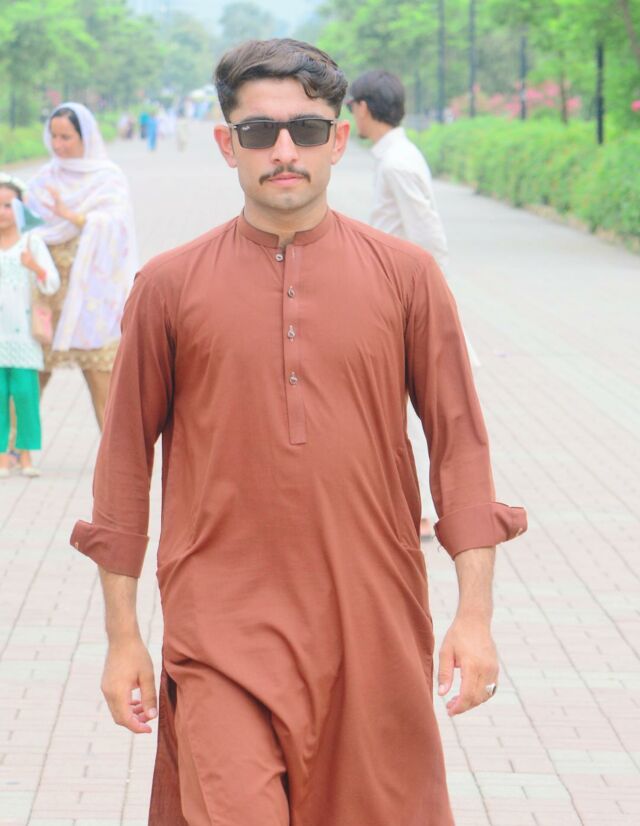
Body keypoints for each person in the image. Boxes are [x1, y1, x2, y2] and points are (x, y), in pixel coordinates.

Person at [70, 39, 527, 826]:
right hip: (217, 632)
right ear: (228, 145)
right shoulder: (168, 286)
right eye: (259, 132)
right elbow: (122, 468)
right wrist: (122, 639)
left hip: (372, 625)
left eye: (307, 130)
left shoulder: (407, 277)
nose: (284, 151)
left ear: (339, 139)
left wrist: (475, 617)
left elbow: (461, 447)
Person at [348, 69, 477, 540]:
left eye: (351, 108)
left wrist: (433, 303)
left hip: (405, 297)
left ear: (364, 107)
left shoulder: (397, 163)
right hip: (393, 293)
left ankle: (421, 512)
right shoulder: (394, 157)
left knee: (414, 407)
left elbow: (427, 235)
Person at [26, 103, 138, 430]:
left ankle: (116, 452)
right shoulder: (44, 178)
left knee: (103, 384)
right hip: (47, 291)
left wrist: (72, 217)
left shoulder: (107, 177)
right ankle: (15, 447)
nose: (58, 145)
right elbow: (24, 227)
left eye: (66, 137)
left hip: (93, 296)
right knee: (30, 377)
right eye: (54, 136)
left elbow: (118, 227)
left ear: (85, 136)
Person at [0, 175, 60, 478]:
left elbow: (52, 283)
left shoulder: (31, 242)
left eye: (8, 206)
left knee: (25, 397)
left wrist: (33, 266)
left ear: (20, 208)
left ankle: (25, 456)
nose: (2, 212)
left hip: (24, 335)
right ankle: (2, 457)